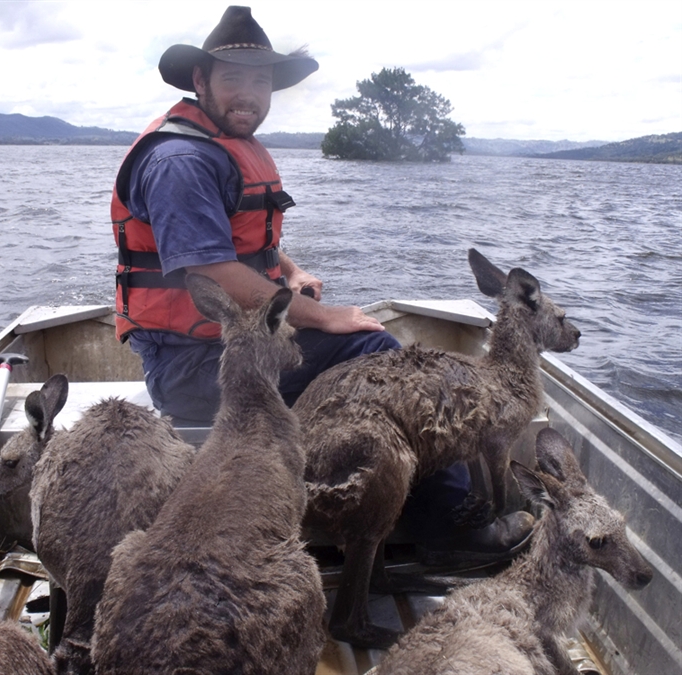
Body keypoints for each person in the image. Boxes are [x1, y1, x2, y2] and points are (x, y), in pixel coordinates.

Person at [111, 6, 531, 564]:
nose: (249, 94)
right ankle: (442, 529)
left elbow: (238, 243)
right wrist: (327, 317)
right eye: (233, 79)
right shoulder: (180, 159)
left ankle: (381, 500)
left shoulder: (219, 143)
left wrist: (289, 273)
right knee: (382, 355)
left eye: (260, 81)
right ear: (199, 81)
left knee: (370, 357)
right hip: (196, 366)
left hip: (233, 346)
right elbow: (210, 271)